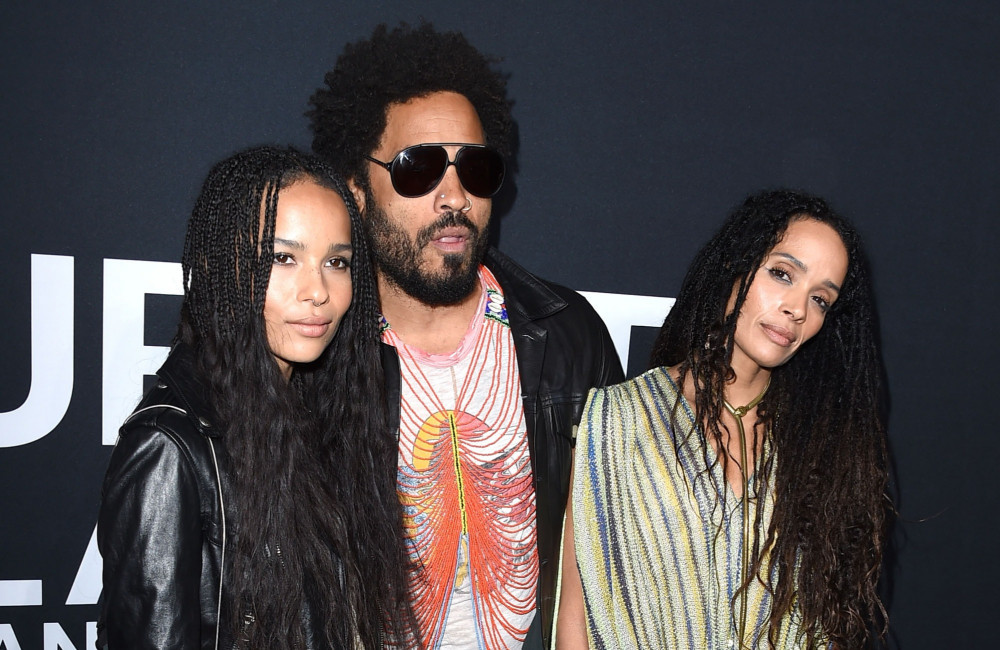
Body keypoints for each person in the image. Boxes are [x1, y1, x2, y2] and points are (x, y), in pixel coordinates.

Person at [308, 22, 624, 650]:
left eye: (474, 168)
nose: (453, 195)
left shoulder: (565, 337)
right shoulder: (318, 347)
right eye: (418, 168)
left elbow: (615, 553)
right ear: (355, 189)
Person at [96, 146, 410, 649]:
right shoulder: (169, 449)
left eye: (336, 261)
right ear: (221, 265)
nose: (318, 291)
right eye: (283, 258)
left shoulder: (325, 421)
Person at [556, 190, 889, 649]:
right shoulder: (619, 417)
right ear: (734, 267)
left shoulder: (819, 445)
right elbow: (576, 613)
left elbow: (822, 623)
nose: (797, 308)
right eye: (781, 274)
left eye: (820, 299)